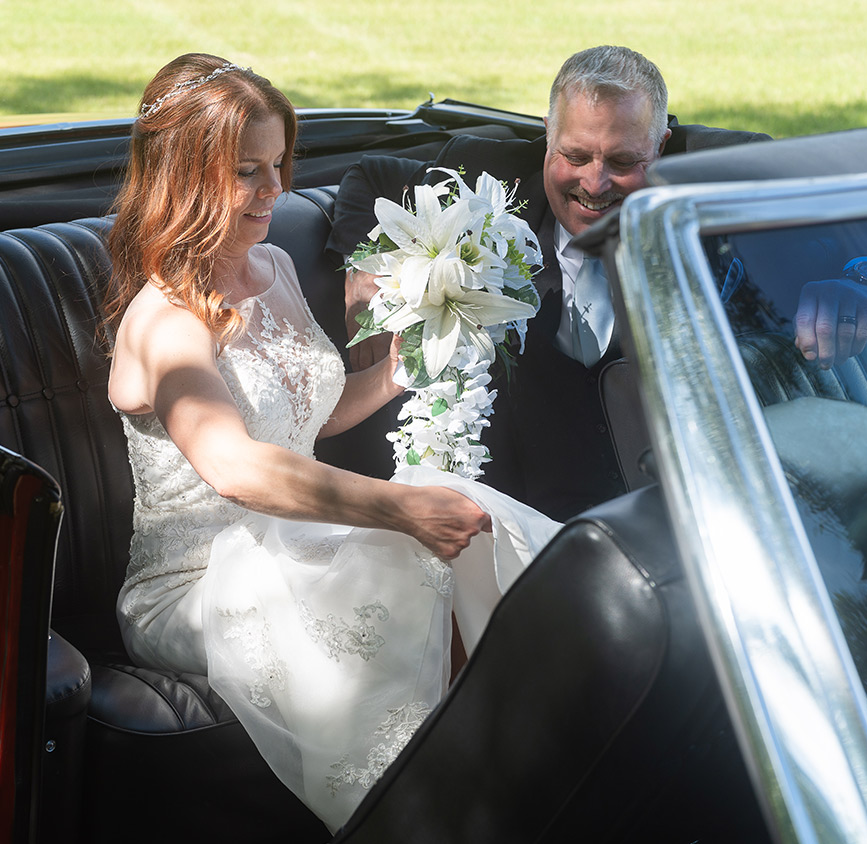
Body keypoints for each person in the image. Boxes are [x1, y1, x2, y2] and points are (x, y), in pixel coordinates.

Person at [104, 53, 561, 832]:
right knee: (411, 549)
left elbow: (309, 417)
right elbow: (233, 463)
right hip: (197, 577)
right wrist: (402, 508)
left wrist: (406, 360)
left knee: (477, 516)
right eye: (246, 171)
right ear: (181, 178)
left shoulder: (274, 266)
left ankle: (530, 766)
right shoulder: (166, 322)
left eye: (278, 163)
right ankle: (435, 808)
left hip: (303, 534)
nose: (273, 190)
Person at [336, 45, 867, 519]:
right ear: (547, 138)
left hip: (686, 519)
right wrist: (364, 267)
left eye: (623, 161)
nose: (593, 183)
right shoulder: (487, 169)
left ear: (663, 144)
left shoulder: (724, 171)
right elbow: (371, 176)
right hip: (514, 511)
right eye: (574, 155)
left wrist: (863, 281)